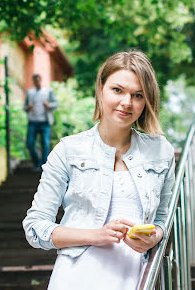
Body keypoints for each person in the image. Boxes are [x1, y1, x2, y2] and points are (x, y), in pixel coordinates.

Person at [22, 50, 176, 290]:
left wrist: (155, 235)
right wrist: (96, 235)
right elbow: (35, 227)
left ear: (147, 101)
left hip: (137, 277)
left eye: (138, 95)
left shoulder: (161, 151)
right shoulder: (67, 151)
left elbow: (163, 218)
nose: (127, 102)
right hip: (76, 277)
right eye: (117, 90)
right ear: (101, 89)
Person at [23, 74, 59, 171]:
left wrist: (49, 105)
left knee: (45, 144)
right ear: (33, 81)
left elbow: (56, 104)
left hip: (45, 122)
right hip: (33, 122)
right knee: (29, 144)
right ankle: (37, 164)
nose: (37, 82)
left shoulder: (48, 91)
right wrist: (28, 108)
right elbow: (24, 107)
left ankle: (44, 166)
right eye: (35, 81)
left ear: (41, 80)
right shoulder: (30, 92)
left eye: (38, 80)